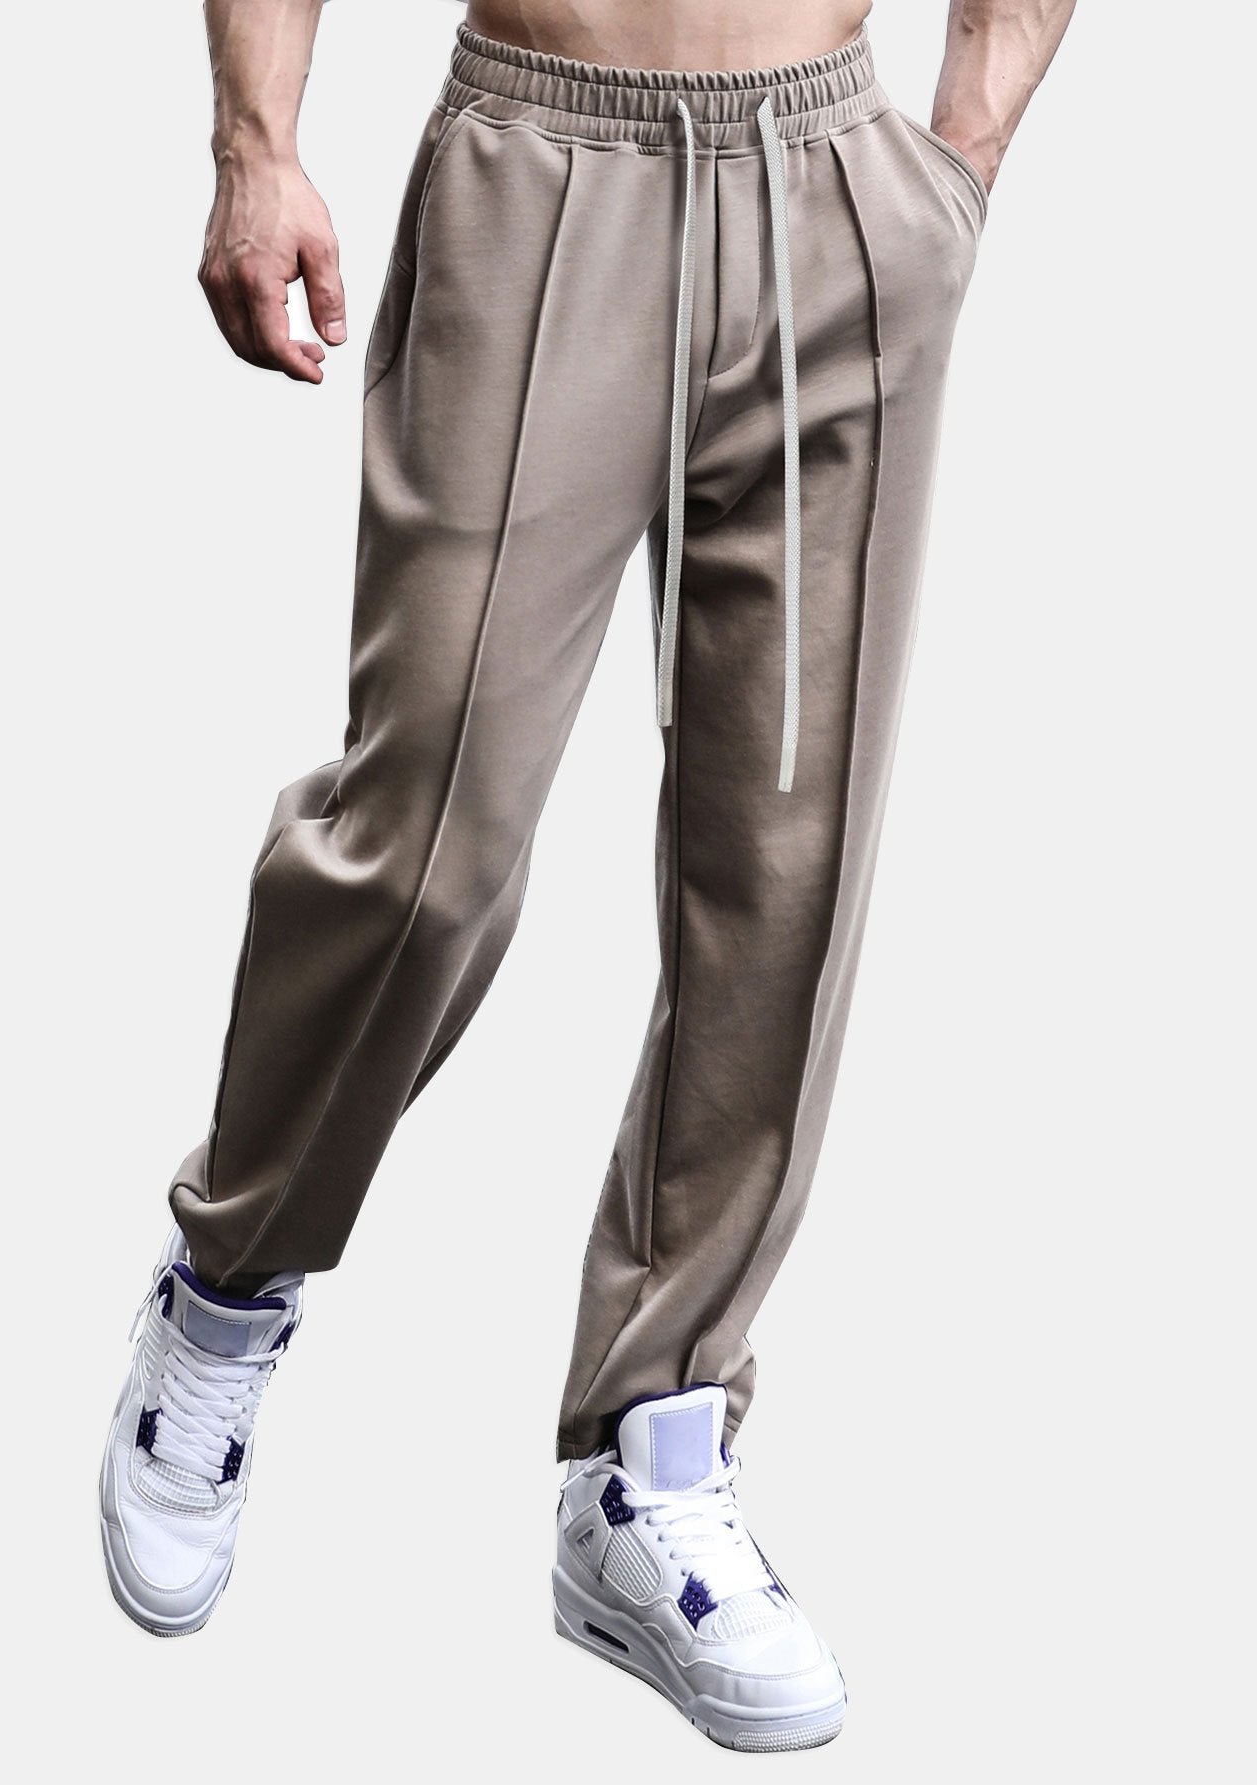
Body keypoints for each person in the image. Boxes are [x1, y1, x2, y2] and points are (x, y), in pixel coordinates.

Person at [99, 0, 1076, 1749]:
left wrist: (963, 156)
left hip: (837, 184)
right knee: (430, 839)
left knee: (785, 867)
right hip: (548, 162)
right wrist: (258, 141)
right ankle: (228, 1281)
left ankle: (653, 1449)